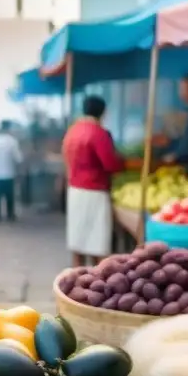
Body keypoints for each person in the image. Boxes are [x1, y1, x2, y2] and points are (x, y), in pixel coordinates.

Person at [62, 95, 124, 267]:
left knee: (78, 241)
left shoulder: (72, 131)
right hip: (95, 192)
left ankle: (77, 283)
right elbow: (111, 164)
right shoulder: (99, 133)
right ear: (103, 112)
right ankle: (98, 285)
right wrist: (124, 163)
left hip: (75, 191)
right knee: (98, 244)